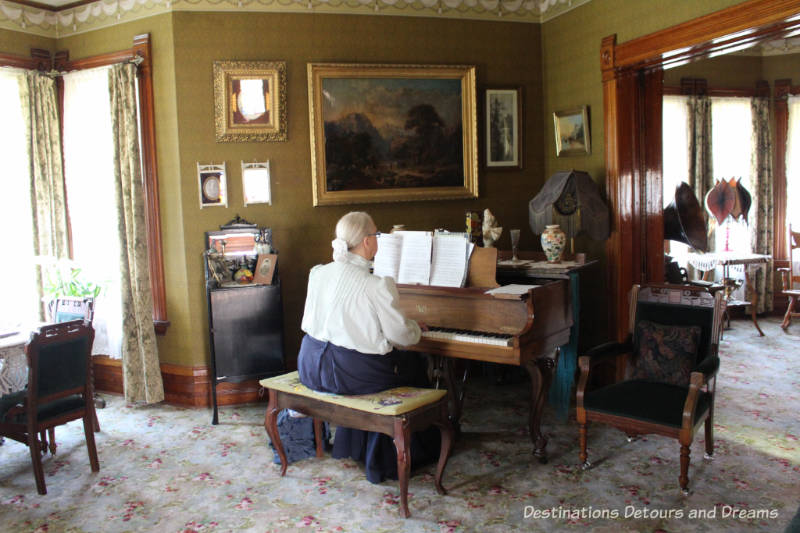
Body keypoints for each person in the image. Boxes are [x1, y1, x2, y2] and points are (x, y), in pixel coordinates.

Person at [297, 211, 438, 483]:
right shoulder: (375, 285)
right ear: (366, 242)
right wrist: (413, 328)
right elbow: (401, 337)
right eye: (377, 234)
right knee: (413, 365)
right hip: (349, 374)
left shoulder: (318, 273)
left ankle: (358, 445)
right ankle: (390, 456)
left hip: (310, 365)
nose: (378, 239)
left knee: (387, 359)